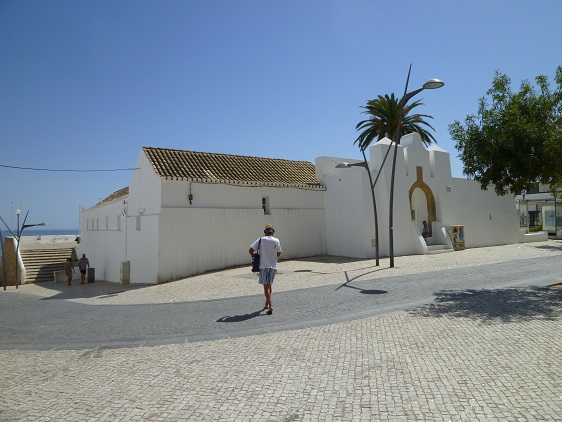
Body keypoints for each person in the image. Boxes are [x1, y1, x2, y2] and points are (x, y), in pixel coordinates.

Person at [249, 225, 282, 315]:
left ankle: (270, 306)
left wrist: (255, 256)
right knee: (269, 285)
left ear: (265, 232)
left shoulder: (261, 240)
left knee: (266, 287)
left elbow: (251, 250)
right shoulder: (276, 240)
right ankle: (266, 304)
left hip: (263, 266)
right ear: (273, 233)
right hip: (273, 267)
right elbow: (278, 253)